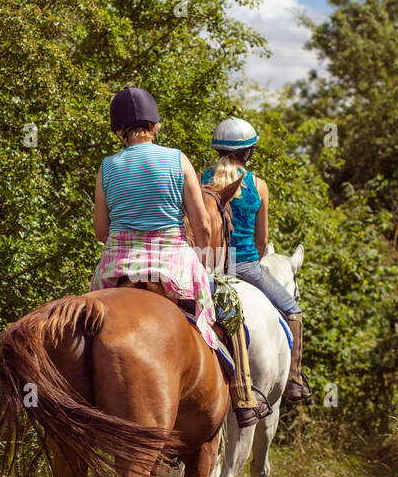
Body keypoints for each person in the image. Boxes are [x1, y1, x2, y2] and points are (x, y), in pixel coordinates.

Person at [90, 88, 267, 427]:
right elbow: (201, 224)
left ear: (119, 129)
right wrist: (203, 257)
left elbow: (101, 230)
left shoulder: (106, 167)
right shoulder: (177, 159)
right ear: (155, 124)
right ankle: (243, 393)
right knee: (229, 304)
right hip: (172, 265)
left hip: (115, 268)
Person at [202, 117, 311, 403]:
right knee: (293, 311)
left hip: (206, 264)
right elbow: (262, 240)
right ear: (248, 152)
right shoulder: (258, 185)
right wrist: (252, 261)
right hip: (246, 265)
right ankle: (295, 379)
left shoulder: (201, 180)